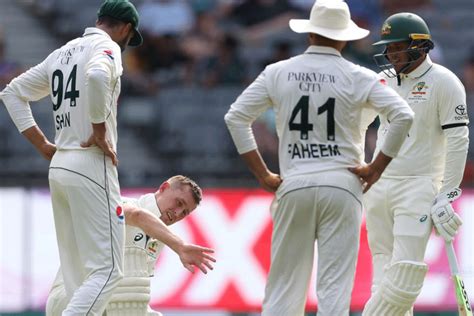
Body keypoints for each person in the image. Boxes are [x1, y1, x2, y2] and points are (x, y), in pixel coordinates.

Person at [224, 1, 414, 315]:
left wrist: (263, 175)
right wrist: (376, 167)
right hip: (343, 184)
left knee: (284, 287)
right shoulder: (359, 75)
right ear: (344, 39)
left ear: (310, 35)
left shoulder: (278, 72)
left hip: (294, 182)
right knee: (334, 290)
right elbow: (403, 116)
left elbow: (236, 118)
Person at [0, 1, 146, 314]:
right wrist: (98, 129)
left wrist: (41, 144)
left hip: (61, 164)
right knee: (107, 271)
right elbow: (95, 77)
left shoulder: (61, 53)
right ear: (124, 28)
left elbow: (12, 93)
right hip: (90, 162)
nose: (126, 44)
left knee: (77, 276)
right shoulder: (107, 49)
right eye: (128, 37)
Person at [361, 12, 469, 315]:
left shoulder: (445, 82)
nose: (391, 55)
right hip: (379, 185)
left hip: (418, 185)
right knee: (381, 275)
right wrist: (359, 165)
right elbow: (358, 123)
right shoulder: (382, 81)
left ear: (420, 46)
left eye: (398, 48)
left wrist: (447, 192)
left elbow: (458, 141)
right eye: (389, 48)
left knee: (404, 277)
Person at [46, 175, 216, 316]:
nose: (177, 213)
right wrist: (179, 245)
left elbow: (132, 297)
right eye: (178, 203)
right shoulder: (123, 203)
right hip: (70, 297)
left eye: (185, 212)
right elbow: (136, 216)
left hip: (106, 305)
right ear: (163, 188)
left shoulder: (159, 240)